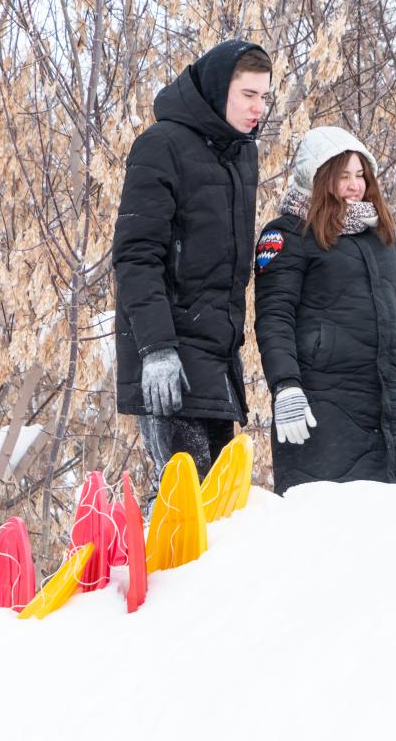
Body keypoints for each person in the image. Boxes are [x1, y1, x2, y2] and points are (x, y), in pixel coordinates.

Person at [113, 40, 271, 488]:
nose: (258, 107)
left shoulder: (242, 154)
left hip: (218, 361)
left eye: (265, 96)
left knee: (221, 512)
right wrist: (157, 349)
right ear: (221, 88)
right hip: (170, 358)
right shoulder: (160, 145)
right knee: (188, 505)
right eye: (248, 95)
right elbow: (136, 255)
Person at [254, 126, 396, 494]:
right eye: (343, 176)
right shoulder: (286, 235)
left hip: (384, 401)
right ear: (319, 179)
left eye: (361, 176)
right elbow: (275, 317)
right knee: (326, 522)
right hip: (321, 402)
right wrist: (286, 386)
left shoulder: (379, 238)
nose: (355, 186)